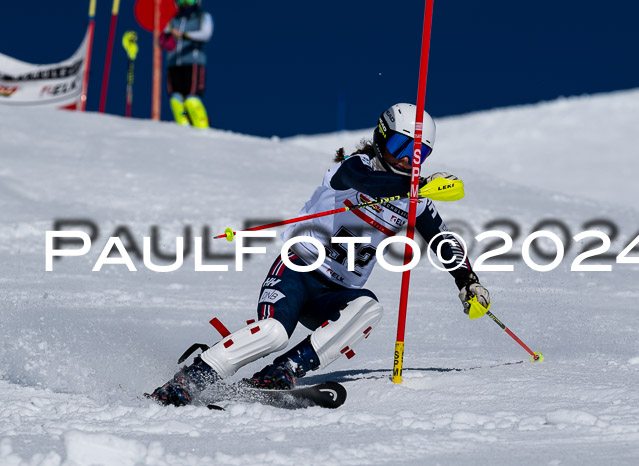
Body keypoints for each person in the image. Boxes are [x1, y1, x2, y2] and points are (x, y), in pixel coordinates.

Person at [148, 103, 492, 406]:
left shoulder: (415, 199)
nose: (407, 158)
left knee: (369, 307)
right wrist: (415, 186)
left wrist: (468, 282)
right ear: (381, 137)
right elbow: (361, 181)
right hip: (296, 270)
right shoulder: (355, 166)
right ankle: (189, 379)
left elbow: (442, 240)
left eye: (419, 153)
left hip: (333, 293)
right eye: (401, 145)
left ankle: (282, 373)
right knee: (273, 333)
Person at [159, 0, 213, 128]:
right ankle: (184, 123)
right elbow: (163, 37)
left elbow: (206, 34)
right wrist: (164, 39)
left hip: (193, 62)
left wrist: (184, 35)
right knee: (177, 99)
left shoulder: (202, 16)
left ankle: (201, 125)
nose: (186, 3)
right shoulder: (173, 21)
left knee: (192, 98)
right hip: (174, 64)